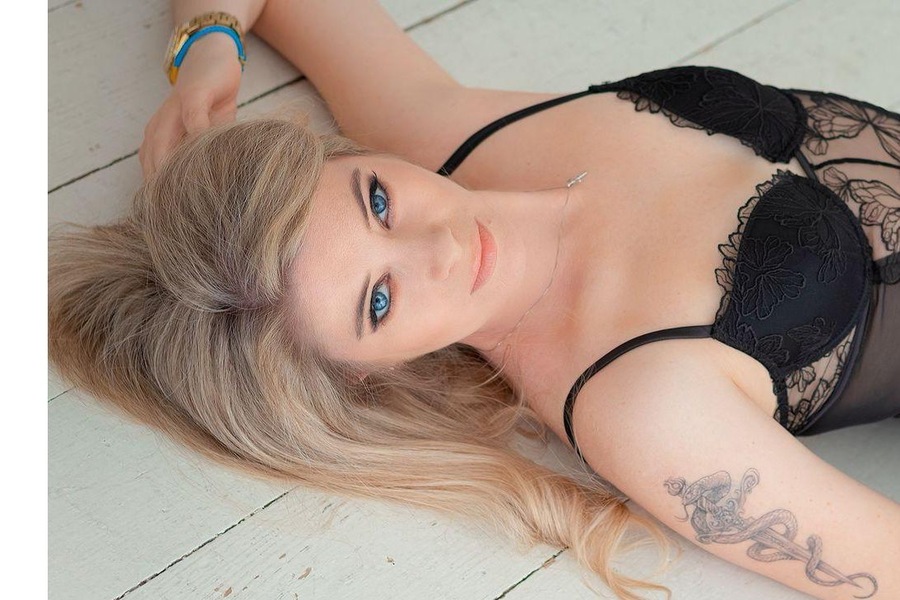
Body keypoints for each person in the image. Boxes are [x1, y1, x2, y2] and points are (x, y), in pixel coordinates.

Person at [48, 1, 900, 598]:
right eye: (379, 303)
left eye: (377, 201)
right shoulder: (641, 405)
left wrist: (205, 52)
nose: (443, 246)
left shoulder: (449, 136)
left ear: (349, 156)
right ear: (365, 372)